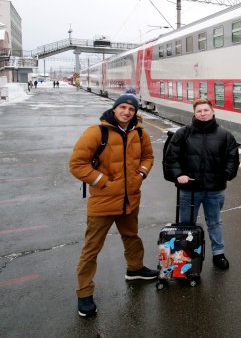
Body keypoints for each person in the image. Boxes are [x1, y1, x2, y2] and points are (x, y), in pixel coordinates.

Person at [68, 92, 156, 318]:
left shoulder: (140, 132)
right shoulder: (97, 132)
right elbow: (77, 164)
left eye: (131, 109)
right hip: (104, 201)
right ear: (115, 108)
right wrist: (103, 182)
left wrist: (140, 175)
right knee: (92, 248)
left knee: (131, 236)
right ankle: (84, 293)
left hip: (130, 199)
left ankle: (135, 269)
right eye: (123, 107)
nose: (127, 112)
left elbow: (148, 157)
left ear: (135, 112)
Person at [163, 98, 240, 271]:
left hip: (215, 190)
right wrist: (178, 175)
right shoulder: (183, 133)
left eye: (206, 110)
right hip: (189, 189)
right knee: (186, 224)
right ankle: (184, 257)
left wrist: (225, 176)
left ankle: (218, 254)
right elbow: (171, 158)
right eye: (199, 111)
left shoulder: (225, 135)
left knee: (215, 222)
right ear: (194, 114)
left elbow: (232, 159)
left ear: (213, 112)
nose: (203, 114)